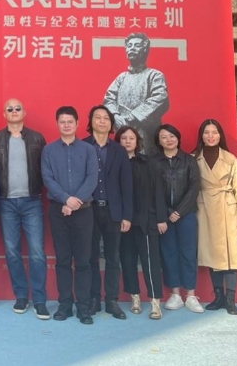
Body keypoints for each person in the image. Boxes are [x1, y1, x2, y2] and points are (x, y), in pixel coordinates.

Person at [0, 98, 49, 319]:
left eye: (17, 108)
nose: (14, 111)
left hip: (32, 201)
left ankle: (40, 300)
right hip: (6, 203)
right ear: (4, 114)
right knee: (12, 251)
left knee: (37, 252)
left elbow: (45, 170)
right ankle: (21, 296)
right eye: (9, 109)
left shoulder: (37, 138)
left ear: (24, 112)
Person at [41, 106, 98, 325]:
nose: (66, 125)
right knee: (63, 260)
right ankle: (65, 304)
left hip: (83, 212)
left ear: (77, 124)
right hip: (58, 211)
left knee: (83, 261)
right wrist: (65, 200)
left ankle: (83, 306)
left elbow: (92, 178)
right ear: (57, 124)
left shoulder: (88, 149)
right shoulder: (49, 150)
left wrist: (74, 203)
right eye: (62, 122)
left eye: (70, 122)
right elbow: (47, 178)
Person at [194, 119, 237, 316]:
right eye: (207, 132)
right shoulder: (194, 159)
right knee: (212, 253)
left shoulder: (230, 159)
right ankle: (218, 296)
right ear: (201, 135)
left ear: (220, 135)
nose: (211, 136)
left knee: (231, 253)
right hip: (205, 209)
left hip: (228, 209)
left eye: (214, 132)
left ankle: (230, 300)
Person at [82, 106, 133, 320]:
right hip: (88, 210)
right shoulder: (82, 146)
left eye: (106, 118)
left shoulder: (119, 150)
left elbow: (126, 185)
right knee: (91, 258)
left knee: (113, 258)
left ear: (111, 124)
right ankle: (94, 299)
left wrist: (127, 215)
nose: (102, 121)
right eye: (98, 117)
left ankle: (111, 300)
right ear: (91, 121)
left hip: (113, 211)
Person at [152, 123, 203, 313]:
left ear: (178, 138)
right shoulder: (153, 162)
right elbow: (152, 190)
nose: (169, 140)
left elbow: (194, 188)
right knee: (169, 253)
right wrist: (167, 212)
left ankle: (190, 295)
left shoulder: (189, 161)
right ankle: (175, 294)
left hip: (186, 214)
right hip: (164, 216)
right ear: (159, 141)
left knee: (188, 253)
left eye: (172, 136)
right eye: (164, 137)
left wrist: (179, 212)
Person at [117, 126, 167, 320]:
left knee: (150, 261)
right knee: (128, 260)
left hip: (146, 220)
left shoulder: (148, 163)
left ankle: (155, 301)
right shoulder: (114, 163)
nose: (128, 141)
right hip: (123, 221)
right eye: (124, 138)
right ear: (118, 141)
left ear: (137, 142)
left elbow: (158, 191)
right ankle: (135, 297)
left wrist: (161, 218)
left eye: (131, 138)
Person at [104, 32, 169, 154]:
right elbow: (109, 99)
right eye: (129, 46)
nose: (132, 48)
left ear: (145, 50)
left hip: (146, 134)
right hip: (122, 130)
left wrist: (132, 117)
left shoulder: (154, 75)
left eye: (137, 45)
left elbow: (160, 98)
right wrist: (116, 117)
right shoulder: (121, 78)